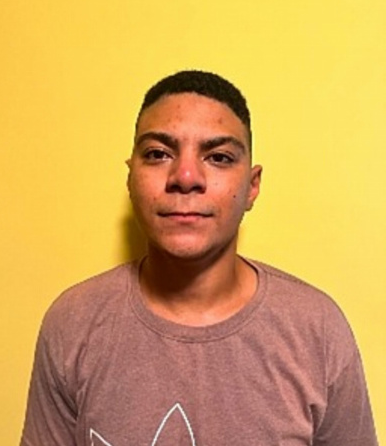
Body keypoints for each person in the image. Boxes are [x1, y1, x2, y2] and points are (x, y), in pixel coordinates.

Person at [20, 70, 378, 446]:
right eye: (158, 154)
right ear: (130, 178)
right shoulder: (73, 322)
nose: (186, 176)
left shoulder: (317, 330)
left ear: (252, 186)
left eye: (219, 157)